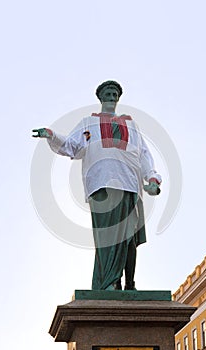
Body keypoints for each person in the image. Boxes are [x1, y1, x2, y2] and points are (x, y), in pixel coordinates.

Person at [32, 80, 161, 290]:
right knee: (107, 236)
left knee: (129, 236)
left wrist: (153, 179)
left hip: (131, 185)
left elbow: (144, 155)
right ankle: (109, 283)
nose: (111, 98)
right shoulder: (88, 123)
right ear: (100, 98)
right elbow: (72, 146)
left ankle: (129, 283)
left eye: (114, 95)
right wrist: (51, 135)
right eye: (108, 94)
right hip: (102, 184)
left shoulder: (132, 125)